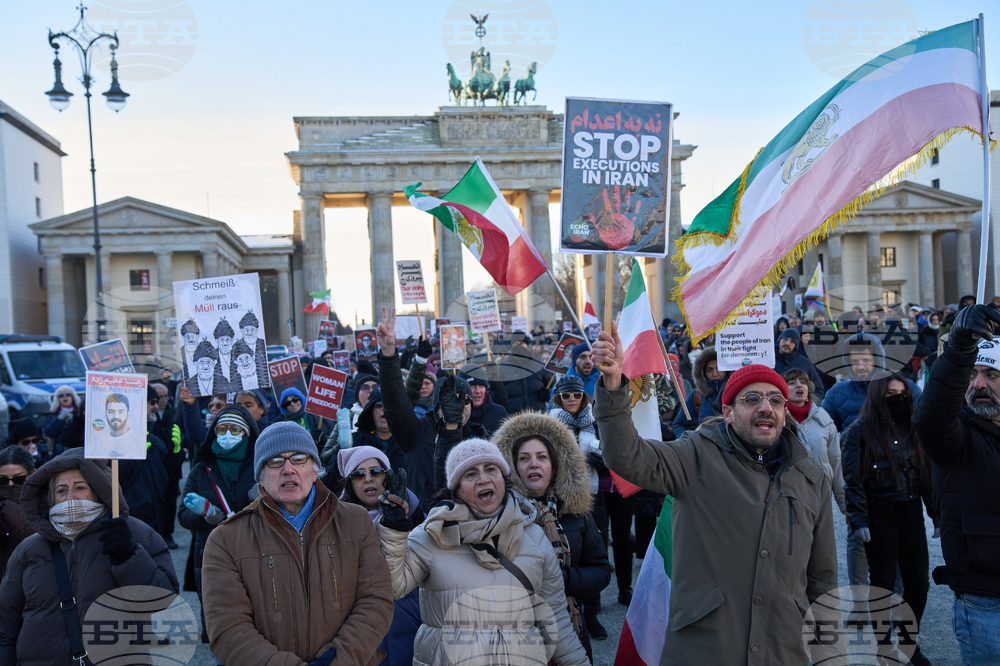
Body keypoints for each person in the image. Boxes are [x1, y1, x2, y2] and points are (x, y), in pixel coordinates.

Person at [591, 326, 838, 664]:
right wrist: (614, 383)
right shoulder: (695, 456)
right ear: (728, 413)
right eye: (752, 399)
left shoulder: (810, 477)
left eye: (775, 400)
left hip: (782, 651)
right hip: (704, 650)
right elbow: (626, 457)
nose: (766, 407)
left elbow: (822, 578)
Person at [377, 438, 590, 665]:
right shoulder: (431, 534)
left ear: (503, 478)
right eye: (470, 474)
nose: (483, 478)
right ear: (456, 489)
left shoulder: (534, 536)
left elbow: (556, 619)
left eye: (491, 469)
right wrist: (394, 529)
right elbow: (392, 587)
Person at [201, 422, 393, 666]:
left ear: (315, 471)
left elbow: (376, 601)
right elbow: (228, 628)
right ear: (260, 476)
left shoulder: (356, 522)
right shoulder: (226, 540)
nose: (288, 469)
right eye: (275, 461)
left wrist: (338, 660)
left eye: (299, 458)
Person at [0, 448, 178, 664]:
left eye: (80, 487)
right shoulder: (29, 549)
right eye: (61, 490)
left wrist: (129, 557)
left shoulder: (137, 534)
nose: (70, 497)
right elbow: (6, 624)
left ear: (99, 490)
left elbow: (162, 599)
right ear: (50, 498)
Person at [913, 304, 1000, 664]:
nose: (978, 384)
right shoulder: (954, 434)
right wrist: (959, 350)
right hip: (986, 603)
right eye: (973, 375)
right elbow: (931, 416)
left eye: (991, 374)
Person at [494, 412, 613, 658]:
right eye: (524, 458)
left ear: (554, 464)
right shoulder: (497, 517)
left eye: (542, 457)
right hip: (515, 635)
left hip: (570, 627)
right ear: (512, 467)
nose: (533, 464)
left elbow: (600, 571)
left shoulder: (576, 514)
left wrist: (562, 579)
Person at [841, 373, 932, 665]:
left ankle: (908, 644)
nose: (898, 397)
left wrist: (938, 514)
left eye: (903, 392)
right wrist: (859, 519)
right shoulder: (859, 431)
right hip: (879, 515)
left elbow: (925, 477)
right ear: (879, 395)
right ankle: (883, 647)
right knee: (882, 585)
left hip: (911, 513)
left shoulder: (915, 429)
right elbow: (852, 480)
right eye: (892, 392)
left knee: (918, 584)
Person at [376, 307, 487, 510]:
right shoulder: (416, 433)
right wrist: (389, 354)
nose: (459, 406)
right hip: (425, 529)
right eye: (450, 400)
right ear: (436, 406)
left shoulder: (483, 440)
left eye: (465, 399)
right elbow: (395, 403)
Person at [178, 404, 259, 644]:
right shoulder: (200, 470)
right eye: (222, 428)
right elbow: (183, 515)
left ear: (246, 433)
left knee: (258, 621)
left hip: (255, 553)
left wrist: (264, 500)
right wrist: (206, 515)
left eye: (235, 429)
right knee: (221, 627)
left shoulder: (261, 468)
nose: (227, 434)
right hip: (211, 555)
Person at [337, 446, 423, 666]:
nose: (368, 479)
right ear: (350, 483)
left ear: (388, 475)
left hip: (411, 621)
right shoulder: (337, 524)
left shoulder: (415, 513)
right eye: (358, 474)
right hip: (364, 631)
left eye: (375, 471)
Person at [782, 369, 846, 518]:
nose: (799, 386)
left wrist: (844, 504)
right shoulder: (777, 420)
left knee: (822, 540)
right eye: (792, 383)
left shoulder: (824, 420)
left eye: (803, 382)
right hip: (788, 495)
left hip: (821, 494)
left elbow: (835, 462)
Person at [148, 383, 183, 549]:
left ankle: (168, 533)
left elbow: (184, 435)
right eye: (157, 397)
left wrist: (178, 448)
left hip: (172, 465)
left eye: (164, 396)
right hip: (153, 465)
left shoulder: (173, 412)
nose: (162, 400)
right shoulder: (148, 415)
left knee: (170, 501)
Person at [672, 345, 729, 437]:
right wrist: (689, 443)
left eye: (719, 368)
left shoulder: (737, 394)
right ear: (703, 372)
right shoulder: (697, 395)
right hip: (704, 449)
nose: (715, 374)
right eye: (709, 370)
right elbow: (678, 424)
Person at [0, 446, 34, 579]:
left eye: (18, 479)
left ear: (31, 474)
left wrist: (13, 513)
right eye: (2, 480)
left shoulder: (44, 502)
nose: (10, 484)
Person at [500, 330, 553, 413]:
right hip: (513, 418)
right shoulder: (502, 367)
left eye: (521, 343)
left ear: (527, 345)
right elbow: (496, 393)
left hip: (538, 417)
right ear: (511, 346)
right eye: (516, 343)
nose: (519, 345)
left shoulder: (539, 366)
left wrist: (548, 393)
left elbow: (554, 387)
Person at [773, 328, 826, 401]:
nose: (787, 343)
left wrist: (810, 406)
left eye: (792, 341)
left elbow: (818, 388)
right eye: (785, 339)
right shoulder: (769, 361)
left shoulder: (805, 363)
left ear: (796, 345)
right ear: (779, 340)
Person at [458, 362, 509, 435]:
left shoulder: (499, 413)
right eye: (473, 386)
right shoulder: (455, 417)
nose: (478, 391)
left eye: (481, 386)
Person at [42, 385, 84, 456]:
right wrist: (59, 419)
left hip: (76, 452)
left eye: (68, 395)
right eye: (61, 396)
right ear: (57, 399)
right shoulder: (51, 415)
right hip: (58, 452)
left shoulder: (80, 414)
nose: (65, 397)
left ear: (73, 397)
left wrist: (75, 419)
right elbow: (49, 433)